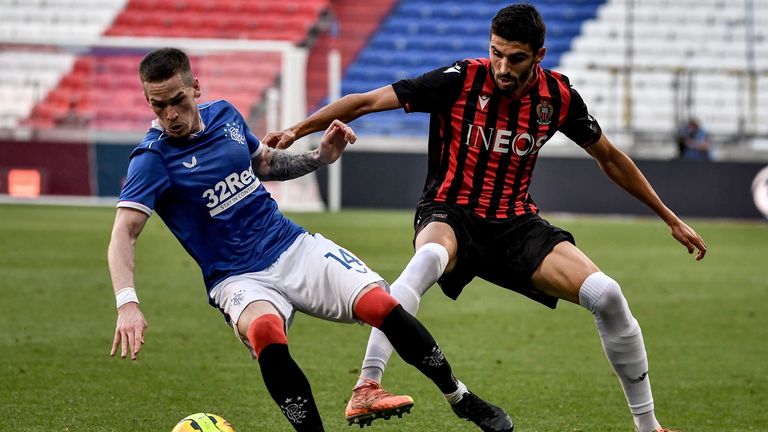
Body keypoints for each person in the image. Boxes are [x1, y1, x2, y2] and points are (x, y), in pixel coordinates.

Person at [263, 4, 708, 432]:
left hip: (515, 223)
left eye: (515, 58)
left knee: (607, 294)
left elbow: (608, 157)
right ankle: (368, 383)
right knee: (427, 259)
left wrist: (669, 217)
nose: (502, 67)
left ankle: (648, 427)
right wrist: (298, 130)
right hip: (449, 211)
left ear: (539, 56)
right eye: (496, 52)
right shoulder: (460, 79)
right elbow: (366, 101)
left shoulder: (558, 97)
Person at [107, 47, 516, 432]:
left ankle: (460, 397)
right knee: (266, 332)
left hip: (290, 245)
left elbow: (263, 164)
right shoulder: (152, 159)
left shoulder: (226, 116)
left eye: (176, 100)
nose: (169, 114)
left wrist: (320, 158)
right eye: (157, 105)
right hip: (235, 276)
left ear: (195, 87)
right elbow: (123, 232)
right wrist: (128, 303)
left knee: (383, 305)